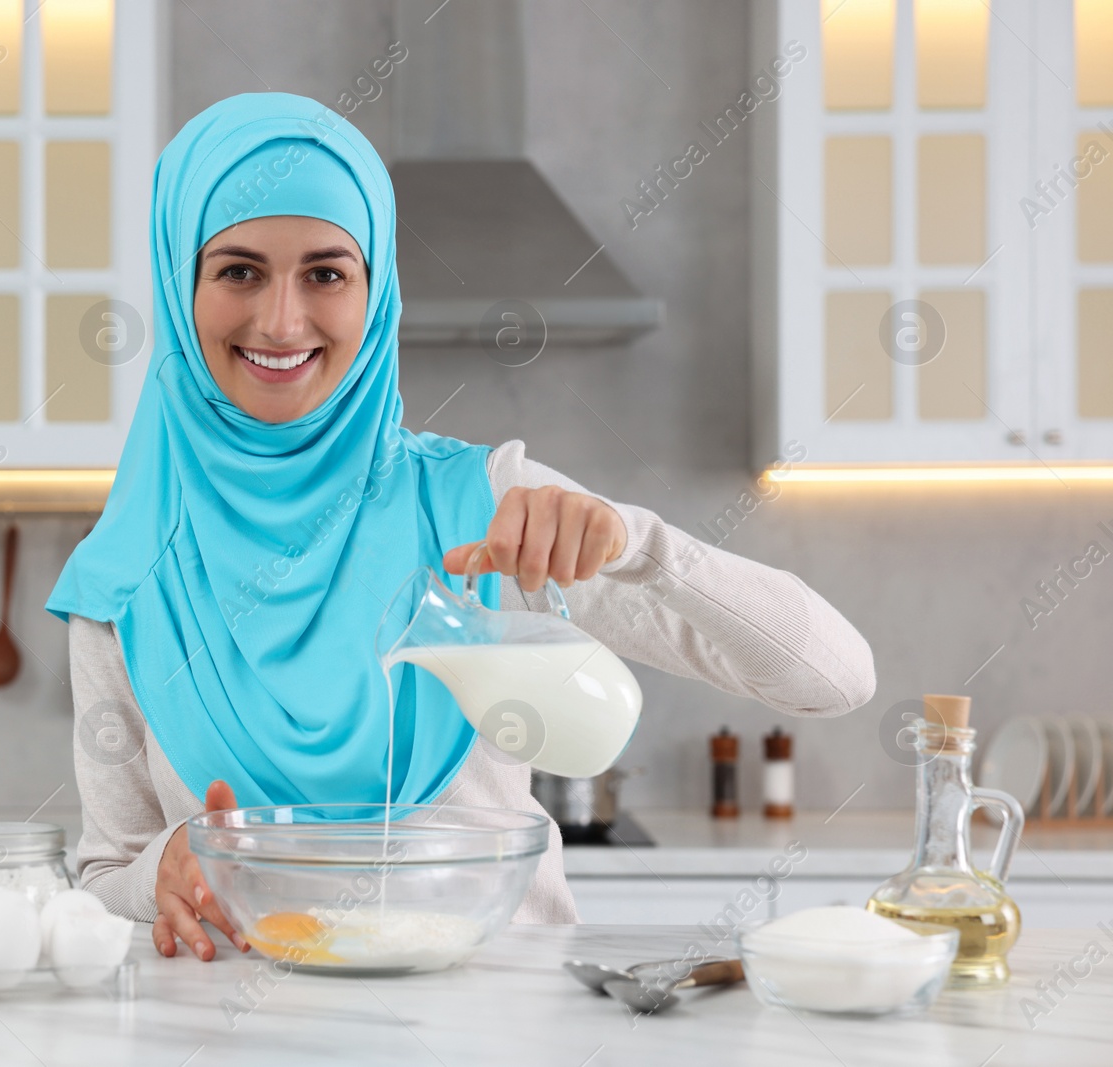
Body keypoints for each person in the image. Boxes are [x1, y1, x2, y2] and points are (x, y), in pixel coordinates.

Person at [46, 92, 875, 961]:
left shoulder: (492, 509)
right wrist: (162, 870)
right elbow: (106, 873)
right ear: (180, 285)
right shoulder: (126, 579)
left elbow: (834, 674)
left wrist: (630, 544)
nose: (282, 321)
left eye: (327, 272)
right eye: (239, 271)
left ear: (375, 291)